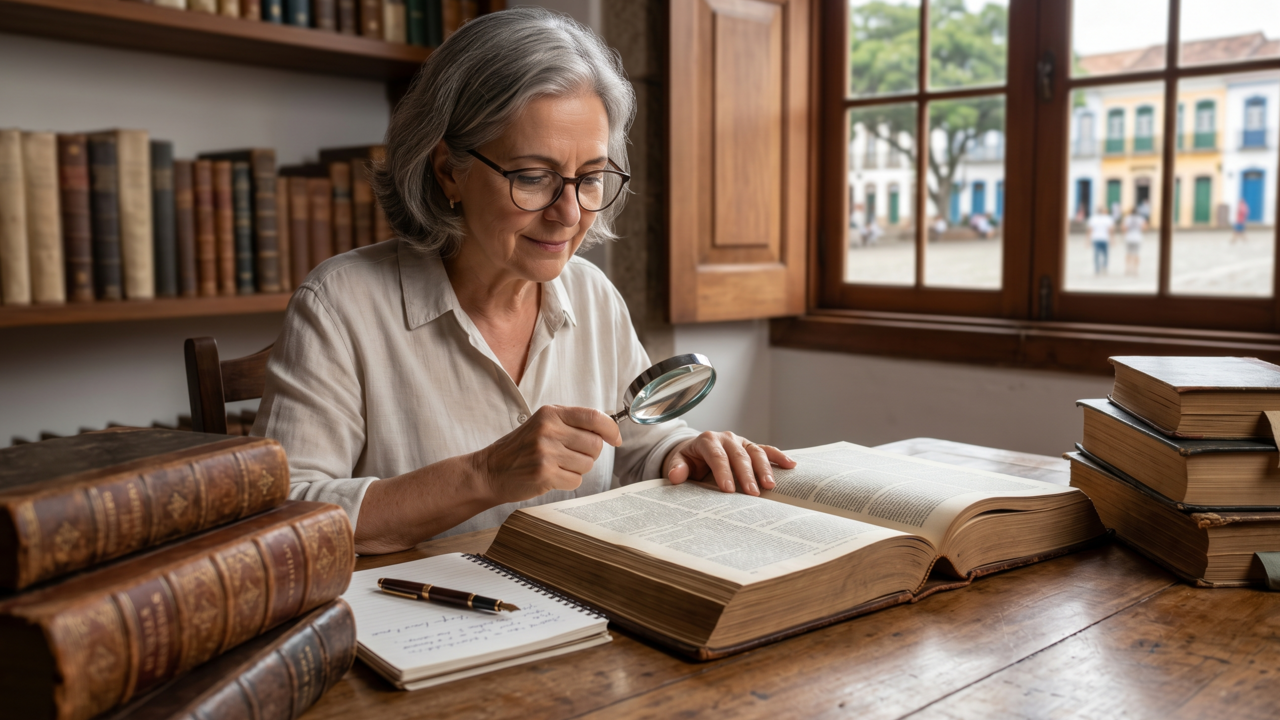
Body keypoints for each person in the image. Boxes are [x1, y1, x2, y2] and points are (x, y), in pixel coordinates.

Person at [252, 8, 795, 556]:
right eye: (533, 178)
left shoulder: (593, 294)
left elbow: (633, 445)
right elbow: (288, 517)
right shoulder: (340, 305)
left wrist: (686, 450)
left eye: (590, 179)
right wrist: (484, 474)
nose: (569, 212)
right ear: (448, 171)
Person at [1086, 205, 1114, 275]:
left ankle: (1097, 268)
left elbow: (1090, 230)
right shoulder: (1107, 218)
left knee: (1097, 254)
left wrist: (1088, 240)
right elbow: (1110, 230)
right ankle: (1103, 267)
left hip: (1096, 238)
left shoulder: (1093, 219)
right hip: (1104, 238)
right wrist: (1112, 239)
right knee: (1105, 254)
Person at [1123, 206, 1146, 277]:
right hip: (1137, 238)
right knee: (1136, 254)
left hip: (1129, 238)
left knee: (1128, 254)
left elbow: (1124, 228)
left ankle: (1128, 268)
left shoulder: (1127, 219)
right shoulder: (1140, 219)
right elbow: (1144, 227)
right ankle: (1135, 269)